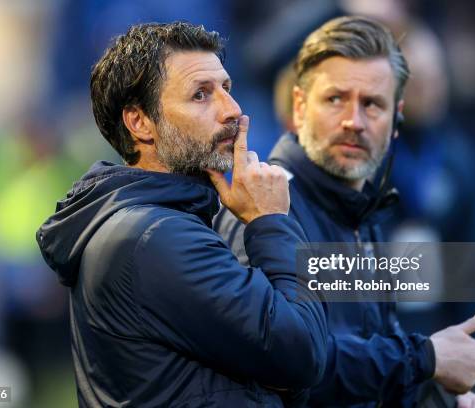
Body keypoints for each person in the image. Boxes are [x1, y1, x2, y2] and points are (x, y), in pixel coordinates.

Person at [36, 22, 328, 407]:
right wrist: (271, 221)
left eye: (227, 88)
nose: (233, 111)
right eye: (201, 95)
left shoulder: (165, 223)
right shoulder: (155, 237)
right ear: (140, 122)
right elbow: (304, 353)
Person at [215, 16, 475, 407]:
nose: (354, 121)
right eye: (335, 99)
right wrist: (425, 358)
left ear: (396, 119)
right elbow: (283, 365)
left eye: (372, 104)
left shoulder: (363, 212)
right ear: (298, 106)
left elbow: (366, 374)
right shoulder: (265, 208)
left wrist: (442, 401)